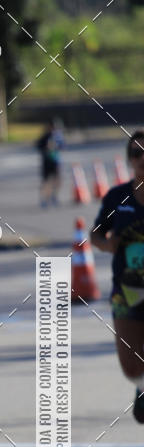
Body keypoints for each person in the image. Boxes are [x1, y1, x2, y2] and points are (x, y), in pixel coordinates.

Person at [90, 129, 144, 422]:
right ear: (129, 160)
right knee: (131, 368)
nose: (142, 159)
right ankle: (141, 386)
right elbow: (96, 233)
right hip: (127, 289)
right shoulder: (117, 197)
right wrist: (107, 243)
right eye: (136, 153)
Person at [36, 119, 64, 206]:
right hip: (46, 162)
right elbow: (38, 146)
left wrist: (56, 146)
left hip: (55, 161)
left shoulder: (58, 136)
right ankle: (44, 199)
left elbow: (62, 146)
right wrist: (46, 148)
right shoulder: (45, 137)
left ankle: (54, 196)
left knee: (57, 180)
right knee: (46, 181)